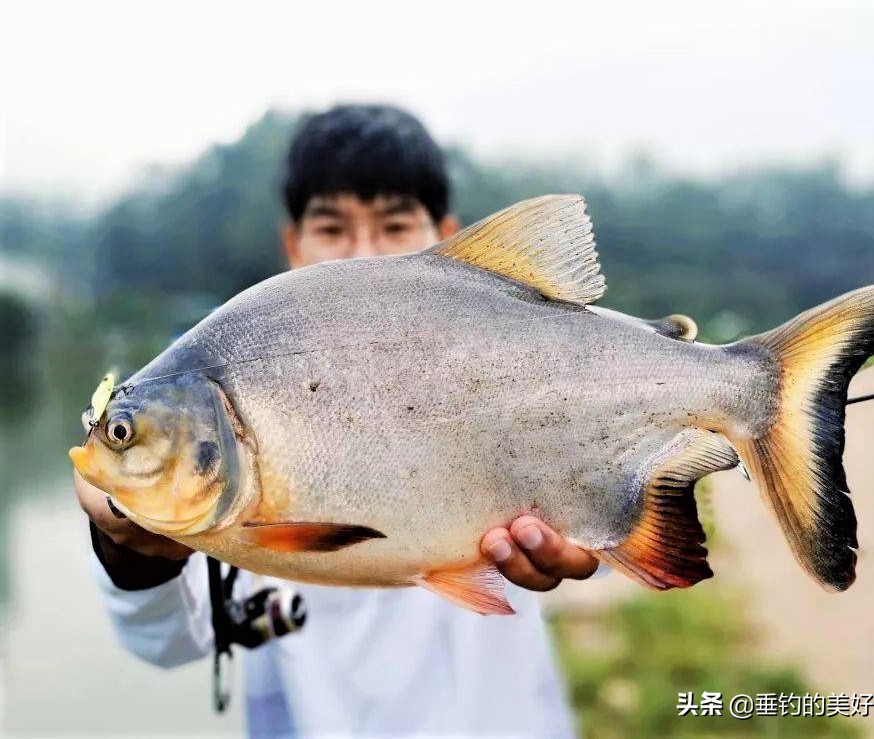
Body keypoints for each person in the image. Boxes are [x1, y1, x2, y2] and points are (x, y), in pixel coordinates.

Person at [75, 104, 598, 738]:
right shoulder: (230, 404)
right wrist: (128, 547)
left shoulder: (516, 363)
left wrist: (600, 519)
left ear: (447, 236)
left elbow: (608, 513)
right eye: (333, 227)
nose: (364, 254)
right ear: (294, 246)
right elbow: (164, 644)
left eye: (395, 224)